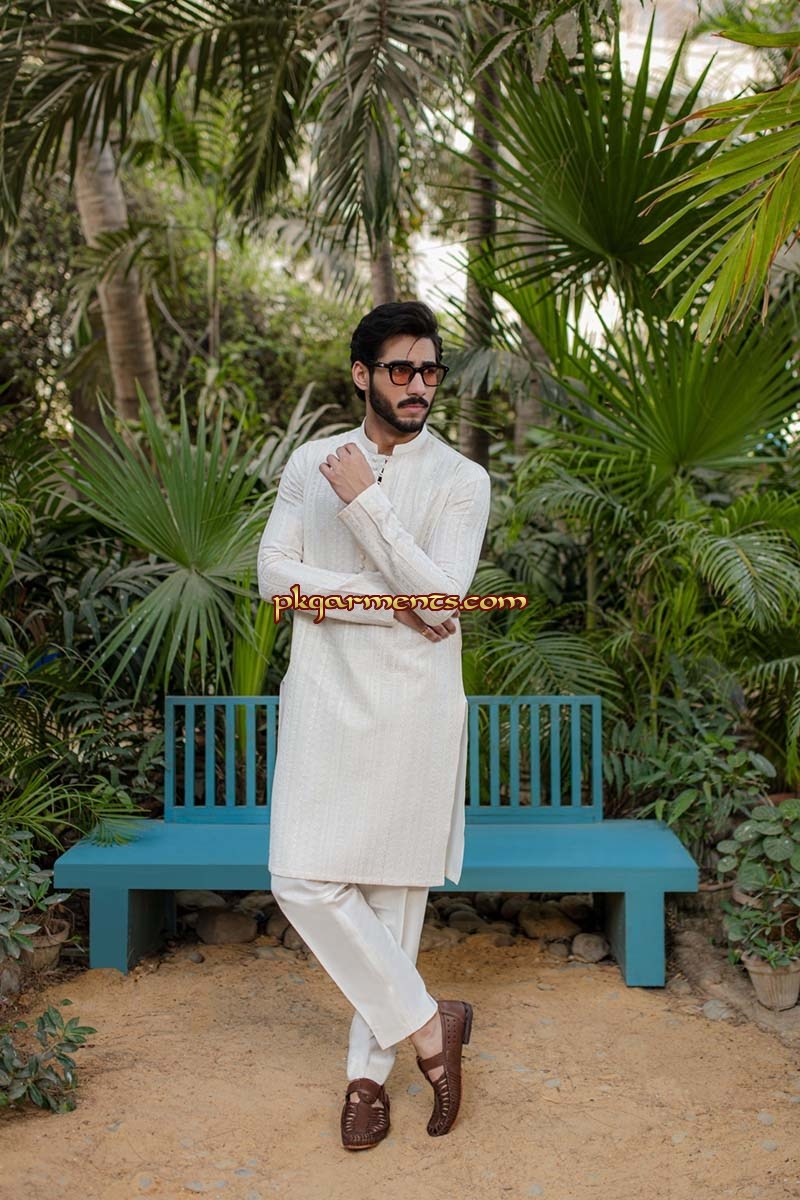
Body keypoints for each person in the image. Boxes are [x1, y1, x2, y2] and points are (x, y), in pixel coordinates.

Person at [257, 300, 491, 1150]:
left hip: (413, 707)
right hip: (324, 698)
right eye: (401, 369)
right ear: (362, 374)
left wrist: (366, 508)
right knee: (299, 879)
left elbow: (443, 601)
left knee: (392, 899)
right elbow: (274, 578)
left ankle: (366, 1078)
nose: (418, 385)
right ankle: (430, 1025)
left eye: (430, 370)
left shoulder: (463, 480)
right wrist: (390, 604)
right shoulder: (310, 462)